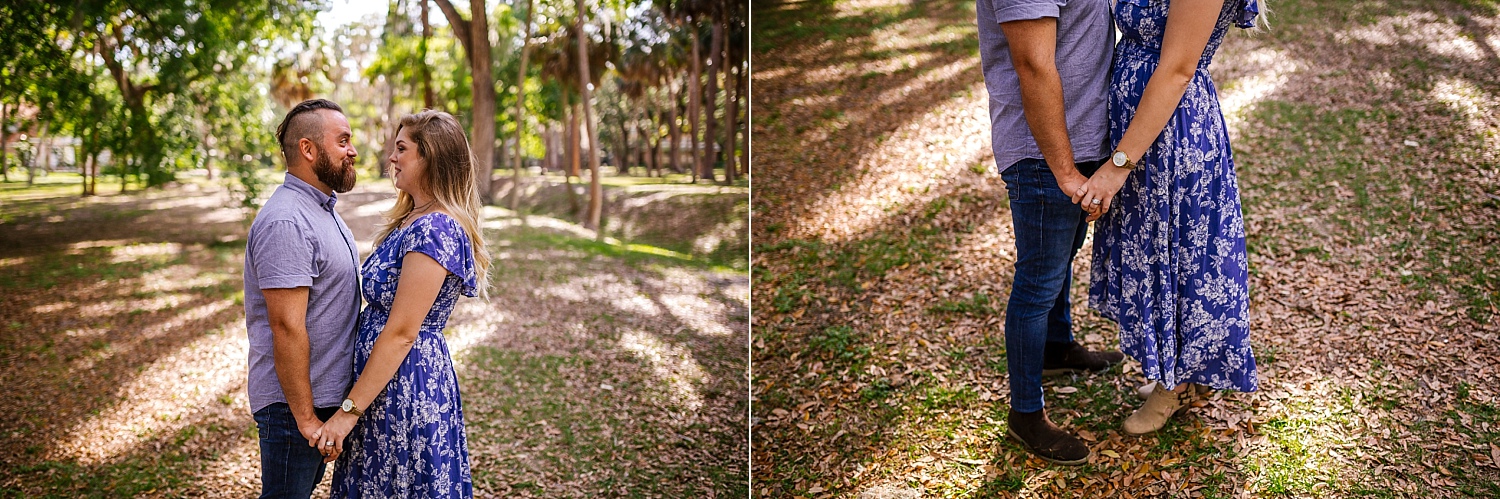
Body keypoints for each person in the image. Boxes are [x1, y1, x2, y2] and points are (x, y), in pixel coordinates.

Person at [1072, 0, 1264, 435]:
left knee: (1176, 256)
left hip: (1169, 132)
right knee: (1160, 251)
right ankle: (1180, 374)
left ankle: (1174, 384)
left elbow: (1177, 68)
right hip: (1144, 124)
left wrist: (1119, 164)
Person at [312, 110, 491, 497]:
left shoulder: (435, 228)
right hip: (381, 384)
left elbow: (402, 333)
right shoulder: (413, 218)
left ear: (430, 157)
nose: (391, 157)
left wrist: (346, 415)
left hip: (405, 385)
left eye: (402, 149)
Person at [977, 0, 1126, 465]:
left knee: (1059, 256)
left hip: (1079, 138)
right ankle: (1025, 414)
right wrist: (1063, 170)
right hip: (1044, 150)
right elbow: (1032, 64)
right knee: (1038, 279)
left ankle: (1058, 347)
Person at [244, 98, 361, 498]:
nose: (353, 150)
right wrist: (306, 418)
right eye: (342, 140)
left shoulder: (321, 208)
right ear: (309, 150)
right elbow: (286, 325)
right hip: (292, 409)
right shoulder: (287, 220)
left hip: (319, 401)